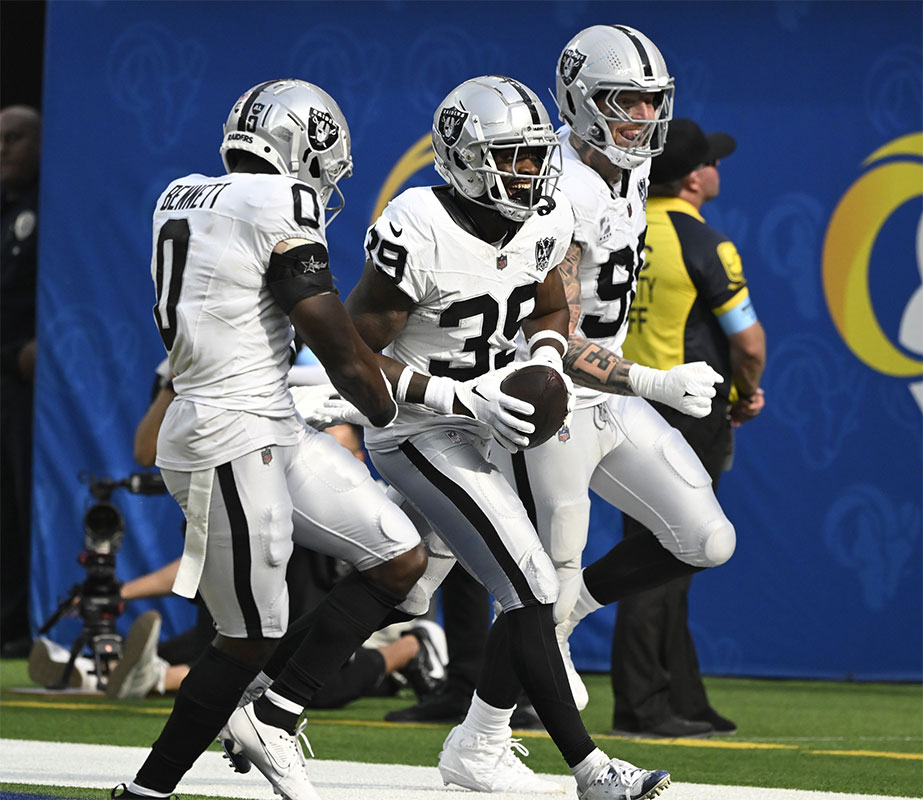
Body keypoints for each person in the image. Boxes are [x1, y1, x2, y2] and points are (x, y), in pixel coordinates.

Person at [334, 74, 671, 799]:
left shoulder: (544, 215)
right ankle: (586, 769)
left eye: (532, 154)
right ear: (460, 156)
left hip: (485, 421)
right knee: (530, 585)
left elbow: (551, 308)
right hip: (420, 424)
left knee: (409, 584)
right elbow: (355, 360)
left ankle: (271, 699)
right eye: (511, 157)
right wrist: (457, 393)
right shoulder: (417, 222)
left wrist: (545, 361)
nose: (531, 171)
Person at [112, 79, 426, 800]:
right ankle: (148, 791)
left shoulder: (182, 192)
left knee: (397, 555)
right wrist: (393, 410)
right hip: (228, 430)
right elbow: (333, 340)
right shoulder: (280, 201)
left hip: (263, 420)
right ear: (299, 146)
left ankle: (276, 715)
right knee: (249, 635)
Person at [458, 24, 736, 745]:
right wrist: (654, 379)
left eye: (651, 103)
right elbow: (550, 330)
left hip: (608, 398)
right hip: (550, 397)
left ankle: (571, 610)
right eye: (625, 102)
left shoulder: (631, 171)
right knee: (518, 587)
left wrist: (638, 383)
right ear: (580, 102)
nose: (643, 119)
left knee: (704, 539)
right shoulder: (555, 190)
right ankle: (480, 737)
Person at [611, 118, 766, 737]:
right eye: (713, 162)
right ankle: (643, 706)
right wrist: (746, 392)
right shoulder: (706, 243)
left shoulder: (619, 229)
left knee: (667, 552)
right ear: (695, 178)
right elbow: (749, 344)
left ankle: (681, 696)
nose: (718, 170)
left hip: (623, 404)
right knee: (669, 555)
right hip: (692, 411)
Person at [0, 105, 41, 658]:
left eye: (13, 138)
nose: (3, 149)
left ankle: (27, 618)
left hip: (29, 378)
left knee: (23, 492)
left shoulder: (49, 210)